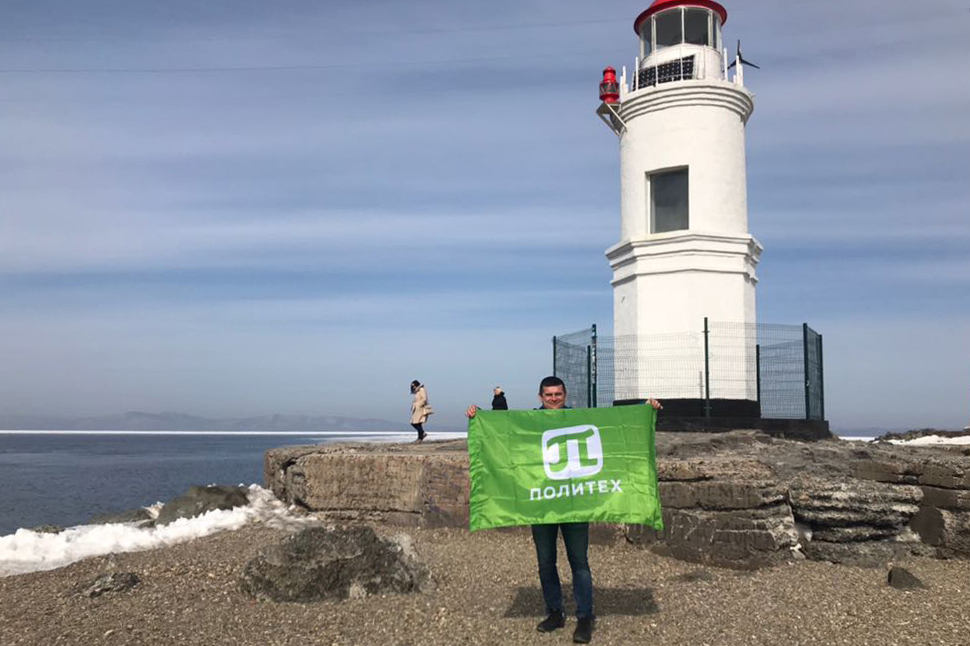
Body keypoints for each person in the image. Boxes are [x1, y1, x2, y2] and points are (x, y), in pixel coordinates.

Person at [466, 376, 661, 644]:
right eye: (549, 395)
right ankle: (555, 612)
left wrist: (646, 408)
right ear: (540, 397)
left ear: (565, 395)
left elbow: (616, 424)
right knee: (546, 562)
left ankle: (584, 616)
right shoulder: (532, 423)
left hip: (575, 504)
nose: (554, 398)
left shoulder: (579, 419)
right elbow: (507, 435)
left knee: (579, 562)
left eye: (558, 394)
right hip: (542, 505)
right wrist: (479, 417)